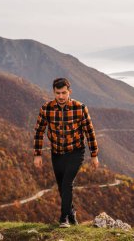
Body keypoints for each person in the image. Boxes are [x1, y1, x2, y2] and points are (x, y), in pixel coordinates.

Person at [33, 77, 99, 228]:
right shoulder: (46, 109)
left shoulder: (80, 108)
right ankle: (71, 213)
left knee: (67, 183)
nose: (61, 96)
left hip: (76, 151)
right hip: (56, 153)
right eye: (58, 93)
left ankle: (64, 219)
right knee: (61, 186)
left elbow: (89, 132)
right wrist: (37, 154)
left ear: (69, 91)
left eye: (64, 93)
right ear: (53, 92)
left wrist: (94, 155)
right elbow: (39, 132)